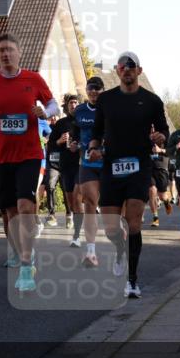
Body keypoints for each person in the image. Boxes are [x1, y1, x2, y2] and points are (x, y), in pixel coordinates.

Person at [0, 33, 59, 292]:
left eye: (10, 49)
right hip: (3, 156)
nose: (6, 54)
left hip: (30, 155)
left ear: (19, 53)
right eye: (1, 51)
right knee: (10, 213)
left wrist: (46, 112)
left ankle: (26, 265)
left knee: (25, 206)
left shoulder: (33, 79)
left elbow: (54, 105)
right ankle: (22, 254)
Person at [88, 52, 169, 299]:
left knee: (133, 222)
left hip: (139, 166)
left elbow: (164, 130)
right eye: (123, 66)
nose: (127, 70)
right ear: (117, 70)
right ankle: (120, 249)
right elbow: (96, 132)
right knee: (111, 227)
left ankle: (132, 280)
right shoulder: (106, 100)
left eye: (131, 66)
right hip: (111, 165)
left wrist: (161, 137)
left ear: (139, 71)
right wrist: (93, 149)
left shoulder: (152, 101)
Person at [71, 76, 105, 266]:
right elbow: (75, 132)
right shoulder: (80, 111)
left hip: (108, 163)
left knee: (111, 206)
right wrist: (74, 143)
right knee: (90, 202)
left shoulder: (109, 109)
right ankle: (91, 252)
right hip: (87, 164)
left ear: (103, 91)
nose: (93, 91)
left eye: (97, 88)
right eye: (90, 88)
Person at [53, 94, 82, 245]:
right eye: (71, 102)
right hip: (66, 165)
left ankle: (77, 235)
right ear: (67, 106)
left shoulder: (84, 121)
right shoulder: (61, 124)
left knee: (77, 198)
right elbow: (51, 145)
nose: (73, 105)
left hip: (81, 165)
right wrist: (59, 141)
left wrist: (80, 146)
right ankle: (76, 221)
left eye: (76, 102)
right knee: (71, 201)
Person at [148, 141, 172, 228]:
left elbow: (171, 151)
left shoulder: (165, 137)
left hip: (162, 169)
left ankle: (166, 201)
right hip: (150, 169)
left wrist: (161, 150)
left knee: (162, 196)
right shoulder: (146, 138)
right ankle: (155, 217)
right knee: (152, 191)